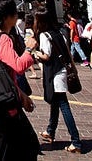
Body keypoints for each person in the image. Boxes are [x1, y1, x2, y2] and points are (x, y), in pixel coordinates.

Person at [0, 0, 39, 161]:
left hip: (3, 100)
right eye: (15, 13)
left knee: (9, 148)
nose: (17, 17)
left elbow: (4, 76)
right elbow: (18, 66)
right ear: (7, 17)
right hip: (7, 106)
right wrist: (29, 49)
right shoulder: (4, 38)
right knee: (27, 147)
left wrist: (22, 95)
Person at [30, 10, 81, 154]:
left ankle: (76, 141)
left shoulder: (44, 35)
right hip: (63, 71)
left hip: (55, 74)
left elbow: (46, 56)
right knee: (55, 102)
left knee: (63, 105)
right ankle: (50, 131)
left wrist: (35, 53)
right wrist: (74, 70)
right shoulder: (59, 34)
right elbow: (68, 54)